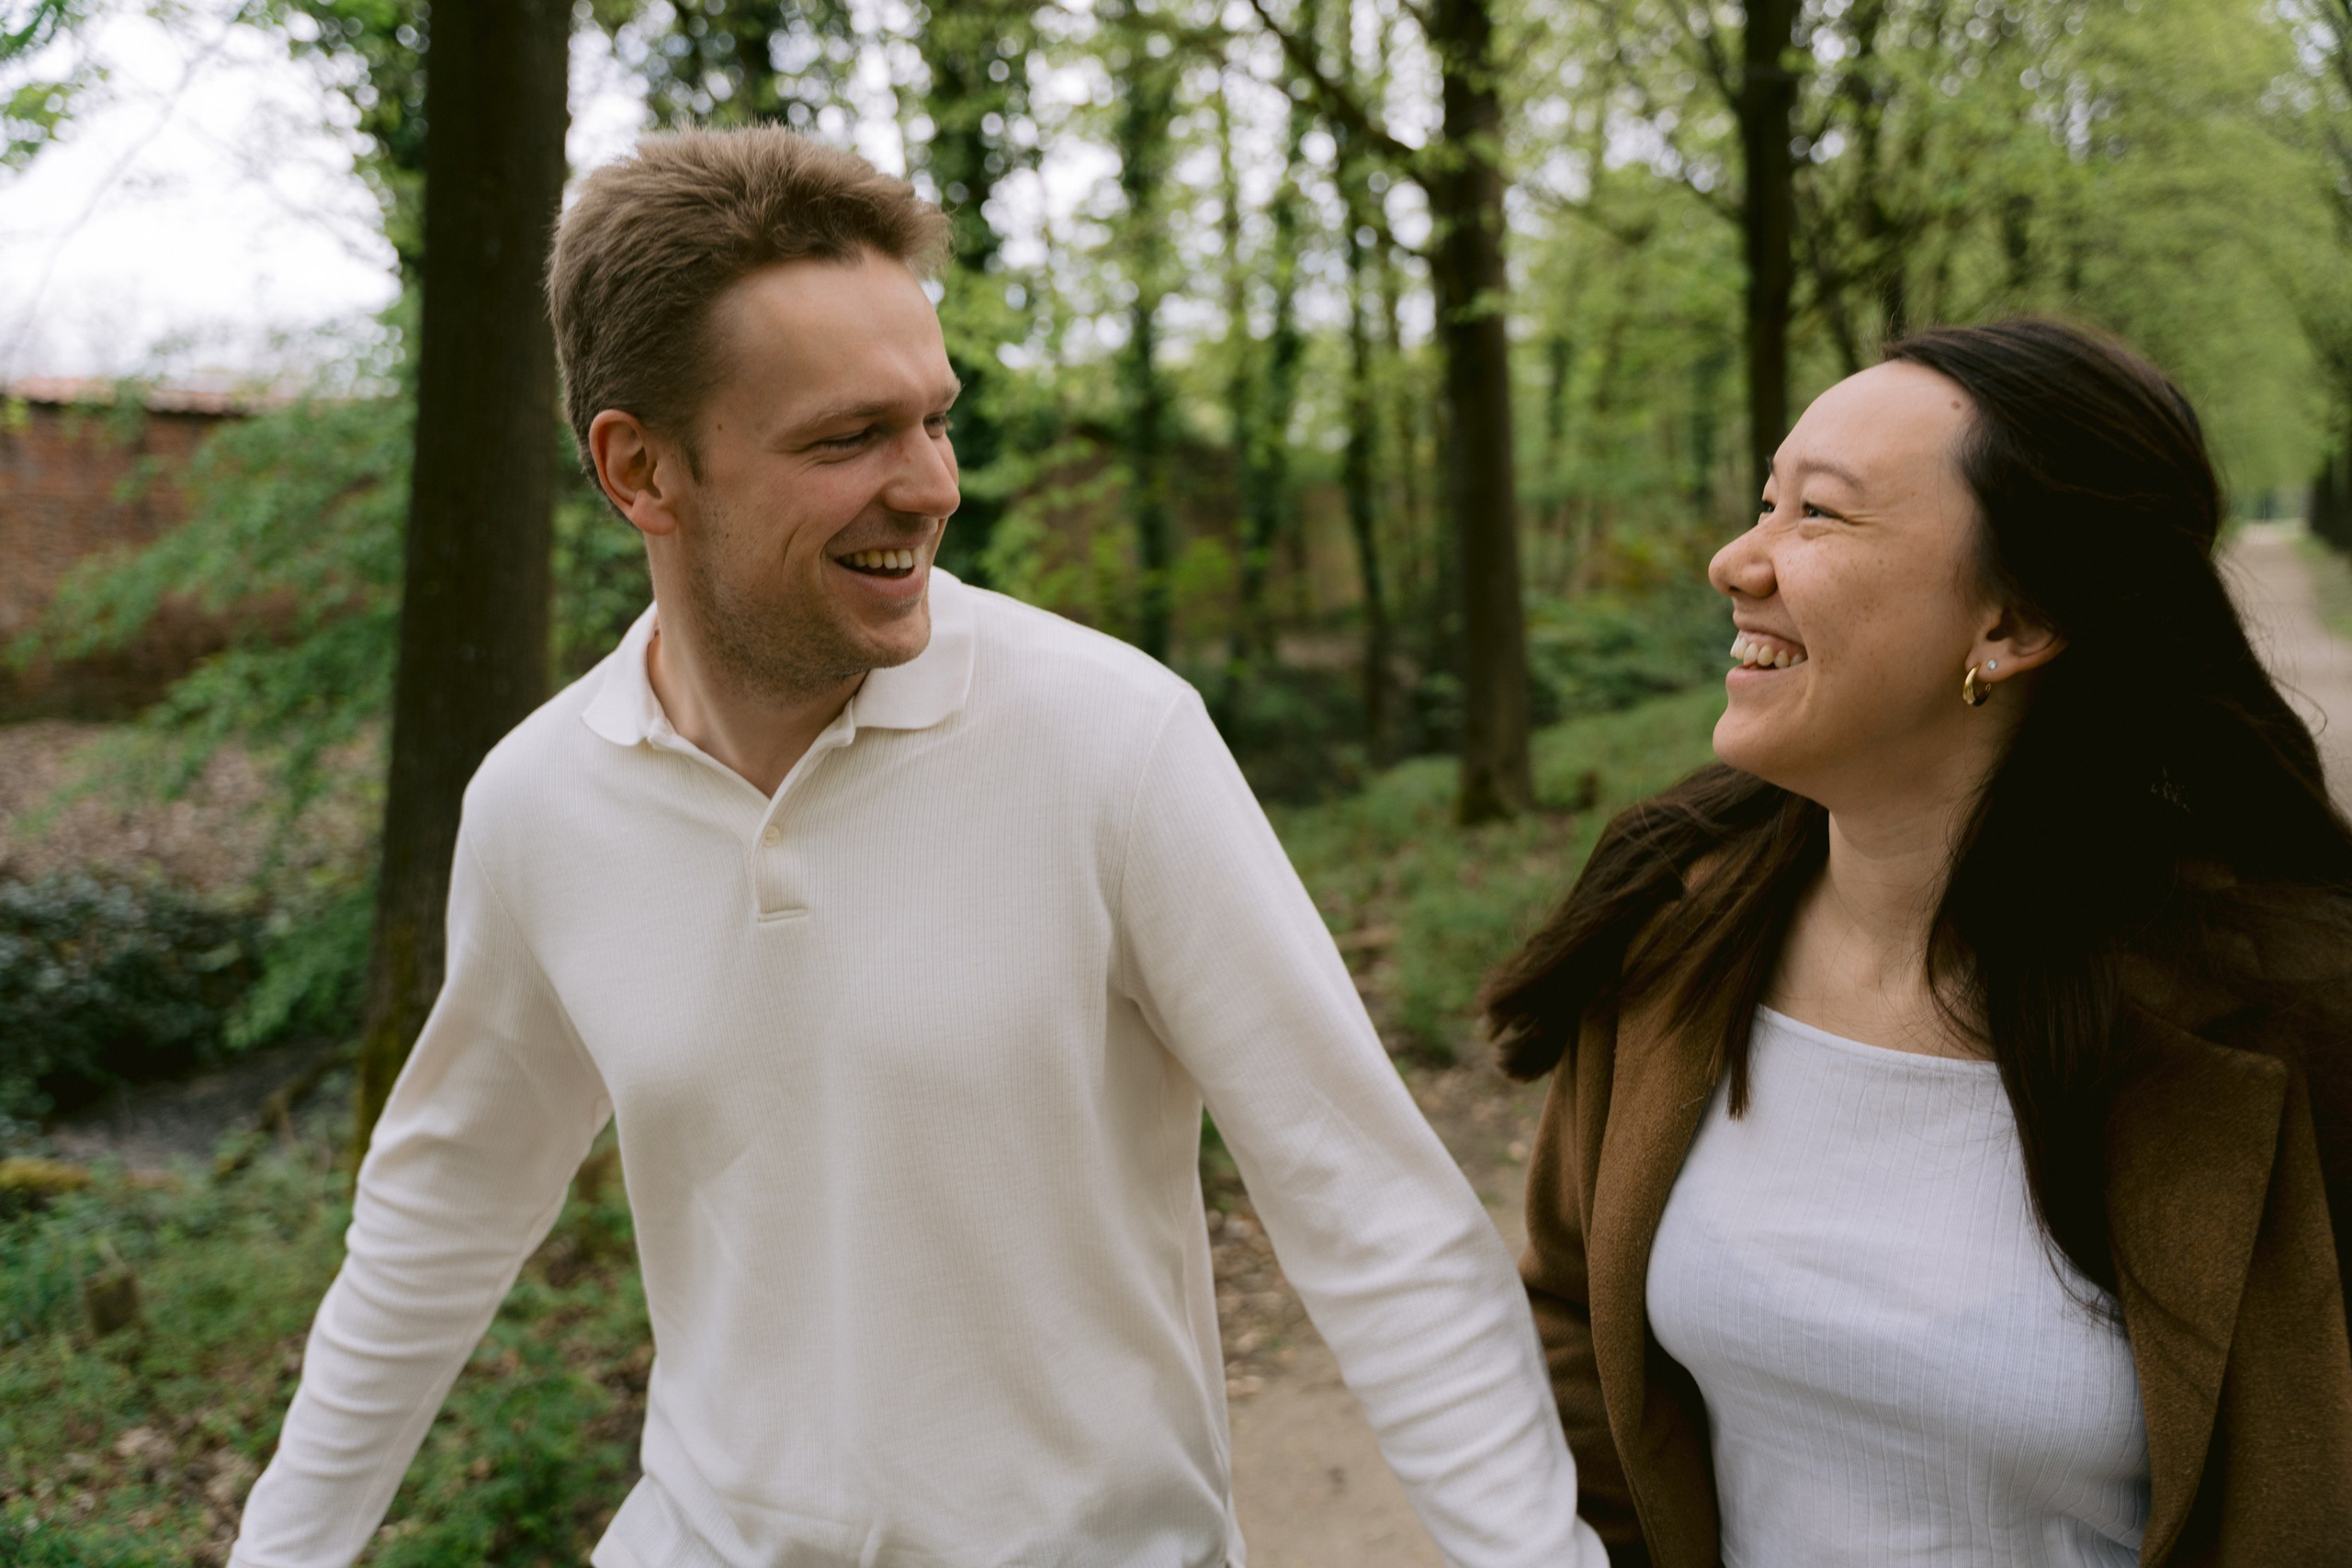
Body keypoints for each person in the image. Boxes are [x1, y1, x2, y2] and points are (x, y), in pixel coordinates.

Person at [230, 129, 1606, 1568]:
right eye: (849, 438)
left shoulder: (1112, 740)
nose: (932, 484)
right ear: (643, 470)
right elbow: (441, 1213)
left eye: (934, 418)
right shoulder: (538, 807)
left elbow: (1371, 1213)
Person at [1483, 320, 2352, 1568]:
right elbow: (1572, 1310)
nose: (1737, 560)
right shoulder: (1671, 942)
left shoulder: (2288, 1017)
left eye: (1820, 518)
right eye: (1765, 502)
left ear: (2013, 621)